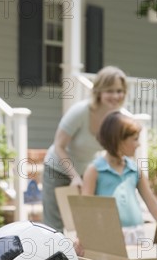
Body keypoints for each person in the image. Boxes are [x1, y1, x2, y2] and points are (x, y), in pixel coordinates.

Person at [42, 66, 128, 231]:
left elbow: (114, 150)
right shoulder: (81, 111)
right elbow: (59, 145)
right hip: (57, 168)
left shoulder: (117, 118)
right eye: (110, 90)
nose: (116, 96)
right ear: (99, 91)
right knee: (54, 226)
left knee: (87, 223)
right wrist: (74, 176)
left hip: (86, 171)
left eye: (120, 91)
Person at [82, 111, 157, 244]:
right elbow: (84, 209)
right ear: (118, 140)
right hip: (108, 237)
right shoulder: (95, 170)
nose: (138, 144)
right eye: (135, 139)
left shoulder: (134, 170)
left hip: (136, 235)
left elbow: (152, 204)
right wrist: (83, 238)